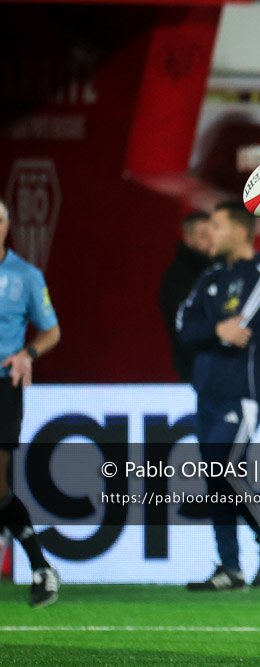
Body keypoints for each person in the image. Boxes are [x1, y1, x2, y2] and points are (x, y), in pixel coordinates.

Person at [176, 201, 260, 591]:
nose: (211, 234)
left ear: (241, 232)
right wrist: (215, 330)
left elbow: (239, 325)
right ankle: (230, 568)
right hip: (207, 389)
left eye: (218, 226)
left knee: (225, 469)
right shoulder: (209, 276)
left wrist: (214, 329)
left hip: (242, 390)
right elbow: (184, 327)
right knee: (215, 477)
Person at [0, 196, 62, 607]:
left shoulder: (25, 275)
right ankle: (43, 568)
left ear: (4, 227)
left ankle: (41, 566)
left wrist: (28, 354)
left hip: (4, 385)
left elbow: (51, 331)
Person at [159, 210, 212, 381]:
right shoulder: (177, 279)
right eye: (204, 235)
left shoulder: (221, 271)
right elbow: (184, 328)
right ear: (188, 239)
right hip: (193, 372)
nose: (211, 240)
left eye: (213, 234)